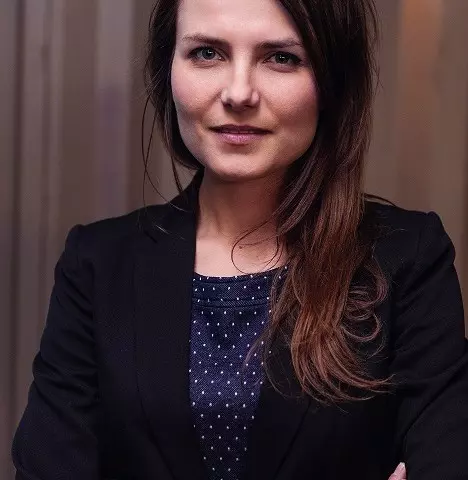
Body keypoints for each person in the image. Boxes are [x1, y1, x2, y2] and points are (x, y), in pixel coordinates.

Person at [11, 0, 468, 478]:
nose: (239, 92)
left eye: (281, 57)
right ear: (168, 70)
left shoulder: (408, 258)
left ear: (332, 80)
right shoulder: (98, 264)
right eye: (207, 53)